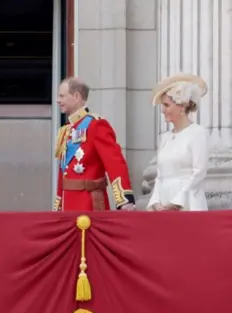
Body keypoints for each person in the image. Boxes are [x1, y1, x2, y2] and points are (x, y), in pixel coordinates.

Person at [54, 77, 136, 211]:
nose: (58, 100)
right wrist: (58, 205)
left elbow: (115, 162)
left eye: (62, 96)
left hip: (89, 203)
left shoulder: (96, 125)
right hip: (68, 205)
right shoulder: (67, 129)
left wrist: (124, 198)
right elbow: (64, 173)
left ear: (76, 96)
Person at [147, 73, 209, 211]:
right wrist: (156, 201)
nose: (163, 110)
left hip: (188, 204)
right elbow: (159, 175)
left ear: (181, 106)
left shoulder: (197, 133)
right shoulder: (165, 138)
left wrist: (176, 203)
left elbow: (199, 173)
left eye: (166, 105)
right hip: (162, 205)